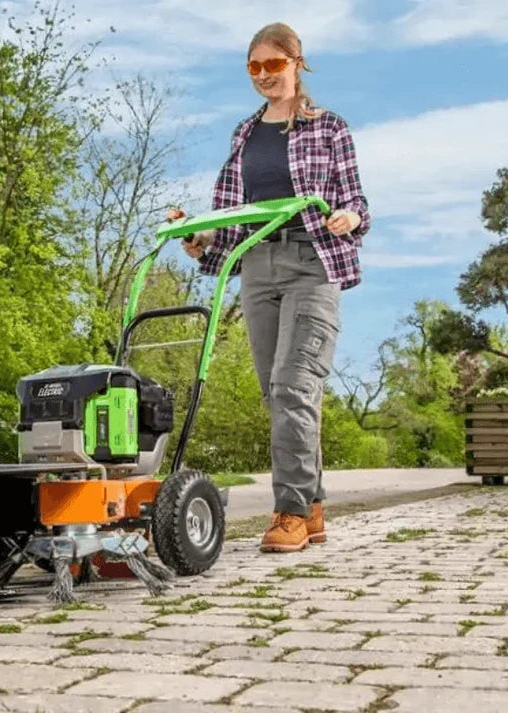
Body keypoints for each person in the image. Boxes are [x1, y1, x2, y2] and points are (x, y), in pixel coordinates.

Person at [167, 22, 370, 553]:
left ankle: (290, 513)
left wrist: (348, 217)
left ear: (297, 63)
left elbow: (357, 203)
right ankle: (315, 505)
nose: (264, 76)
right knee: (275, 392)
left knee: (294, 384)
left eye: (273, 65)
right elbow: (235, 215)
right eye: (254, 67)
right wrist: (202, 240)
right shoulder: (244, 133)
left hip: (311, 261)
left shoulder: (329, 128)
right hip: (257, 267)